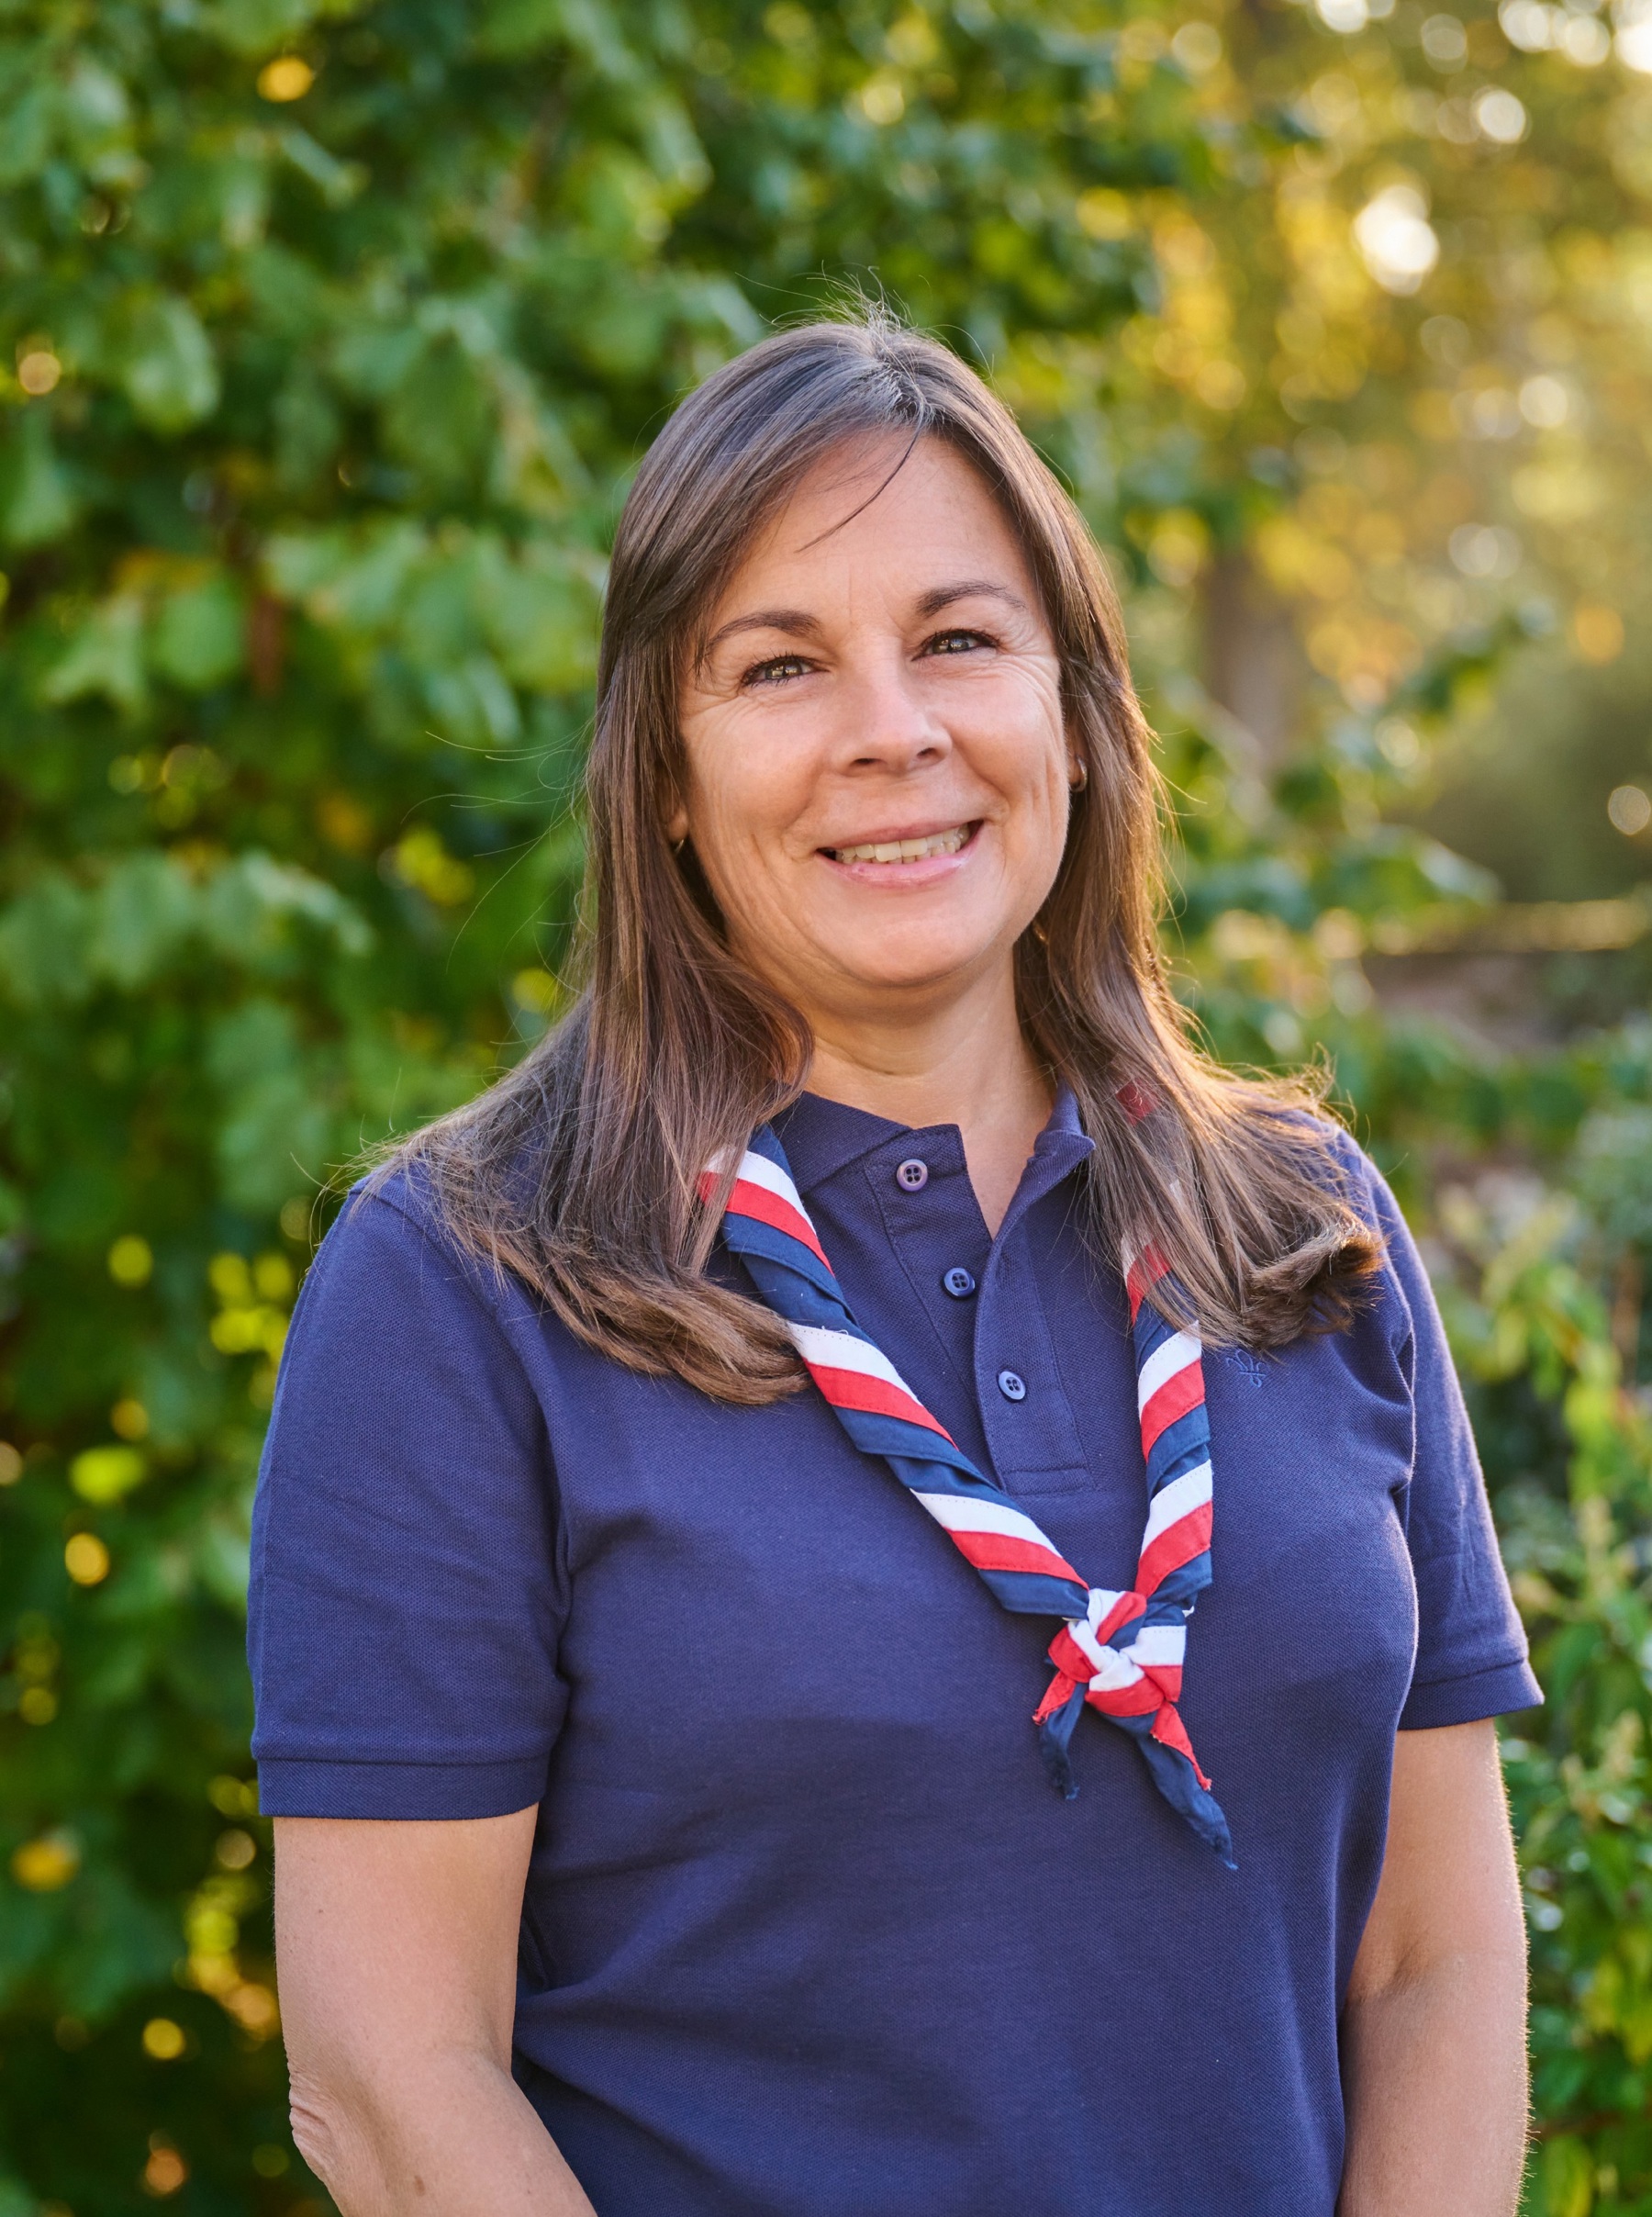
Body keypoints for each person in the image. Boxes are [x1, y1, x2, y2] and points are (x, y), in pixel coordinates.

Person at [251, 313, 1539, 2217]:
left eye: (956, 638)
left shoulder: (1302, 1226)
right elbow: (385, 2068)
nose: (893, 730)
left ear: (1079, 717)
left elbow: (1432, 1957)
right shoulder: (461, 1285)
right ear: (666, 776)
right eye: (780, 664)